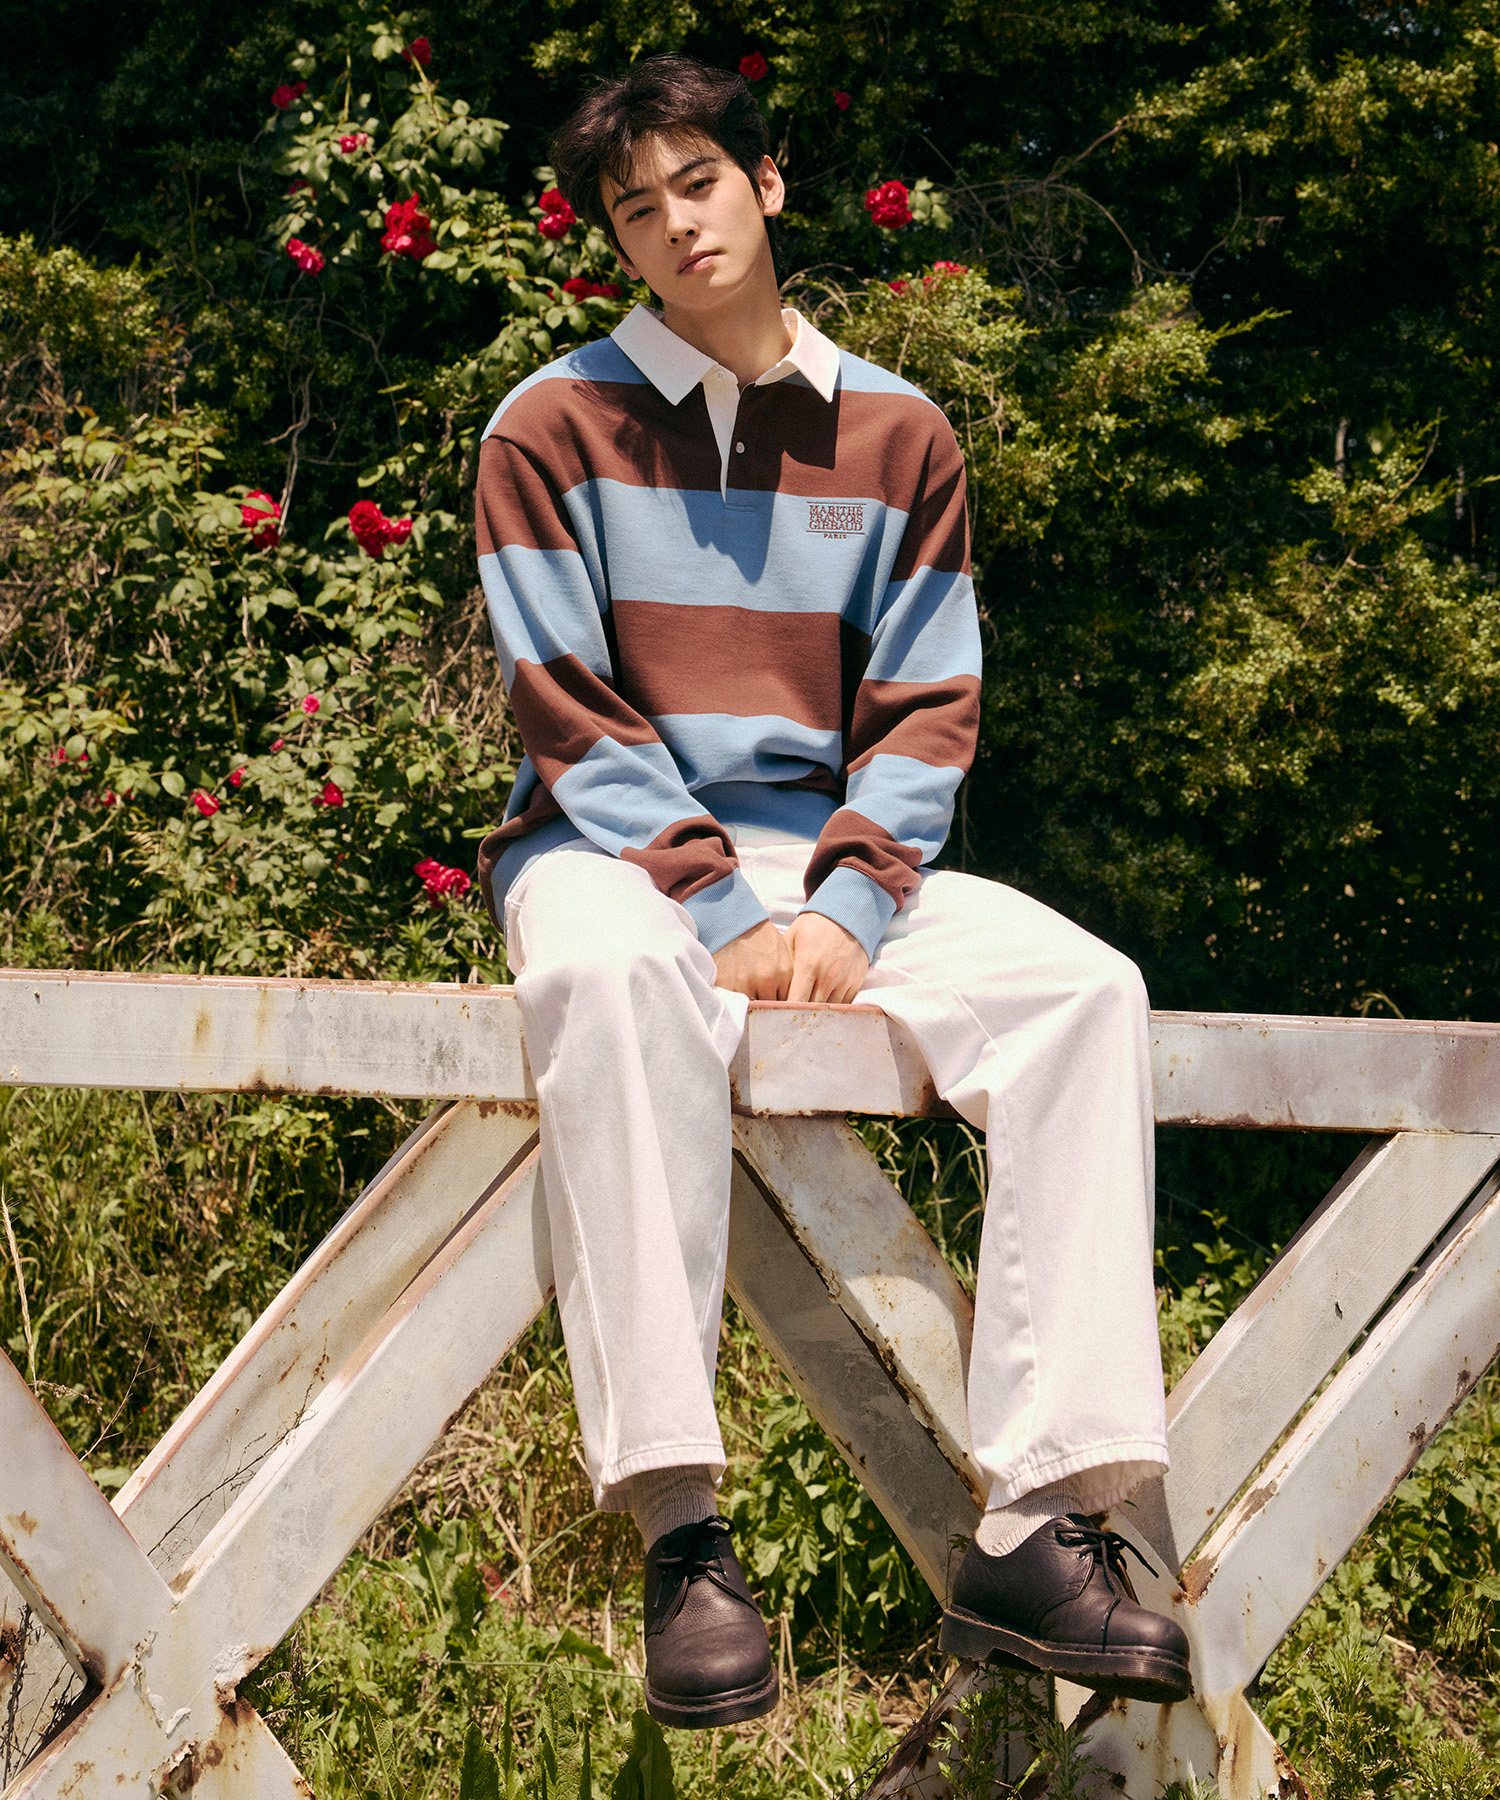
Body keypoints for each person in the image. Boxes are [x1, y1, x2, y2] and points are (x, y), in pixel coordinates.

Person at [473, 53, 1191, 1731]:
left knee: (1089, 992)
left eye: (699, 184)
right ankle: (682, 1534)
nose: (674, 226)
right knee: (604, 980)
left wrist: (847, 909)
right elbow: (567, 704)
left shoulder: (900, 432)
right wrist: (722, 913)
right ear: (614, 243)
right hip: (607, 853)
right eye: (635, 211)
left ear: (768, 183)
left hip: (833, 862)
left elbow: (928, 706)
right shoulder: (546, 425)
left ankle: (1032, 1523)